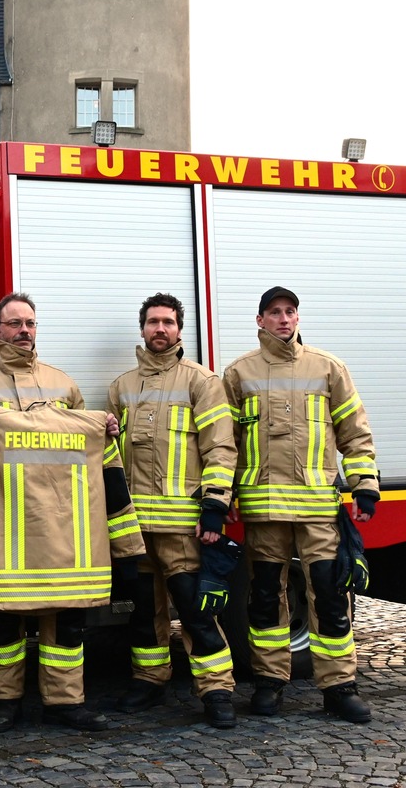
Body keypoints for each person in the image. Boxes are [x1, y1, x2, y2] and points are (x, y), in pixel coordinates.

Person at [0, 404, 145, 733]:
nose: (23, 346)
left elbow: (112, 481)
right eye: (15, 343)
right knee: (1, 633)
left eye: (27, 344)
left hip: (31, 559)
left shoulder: (68, 391)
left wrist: (127, 553)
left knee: (67, 632)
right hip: (38, 557)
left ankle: (65, 704)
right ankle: (5, 702)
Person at [222, 286, 379, 724]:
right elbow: (224, 444)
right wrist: (225, 494)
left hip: (317, 511)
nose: (284, 320)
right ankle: (270, 683)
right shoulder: (238, 375)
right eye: (275, 313)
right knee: (266, 599)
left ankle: (339, 688)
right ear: (260, 321)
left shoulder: (328, 369)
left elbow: (355, 432)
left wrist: (364, 484)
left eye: (290, 312)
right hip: (264, 511)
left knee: (329, 598)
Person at [106, 293, 239, 728]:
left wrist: (215, 507)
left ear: (180, 329)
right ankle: (149, 680)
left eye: (168, 322)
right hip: (135, 529)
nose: (159, 329)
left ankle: (217, 689)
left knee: (197, 613)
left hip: (183, 528)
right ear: (141, 328)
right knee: (145, 614)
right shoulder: (122, 387)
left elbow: (220, 448)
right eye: (152, 322)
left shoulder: (202, 382)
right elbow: (107, 456)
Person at [0, 292, 113, 459]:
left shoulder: (65, 384)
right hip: (1, 490)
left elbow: (85, 442)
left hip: (55, 489)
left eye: (30, 323)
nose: (24, 330)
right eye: (15, 323)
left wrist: (103, 430)